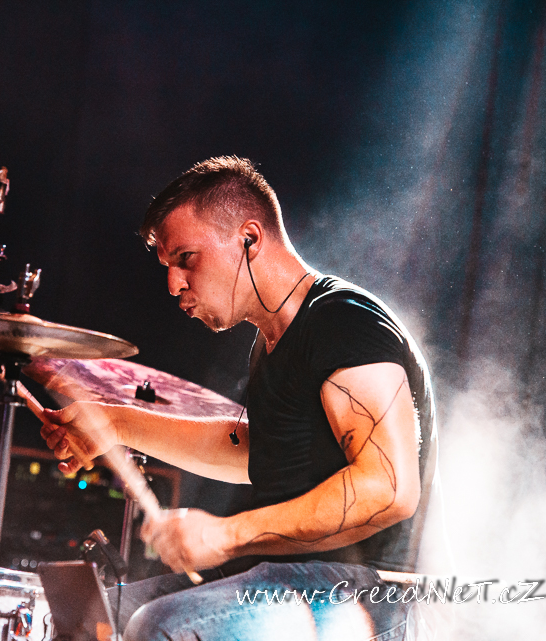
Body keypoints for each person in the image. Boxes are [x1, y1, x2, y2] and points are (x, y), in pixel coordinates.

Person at [40, 156, 437, 640]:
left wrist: (226, 534)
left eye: (186, 258)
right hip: (287, 576)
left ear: (249, 238)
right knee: (93, 615)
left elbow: (389, 489)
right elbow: (255, 451)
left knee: (157, 626)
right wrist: (116, 425)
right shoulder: (272, 343)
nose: (173, 284)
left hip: (367, 594)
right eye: (169, 267)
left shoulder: (345, 321)